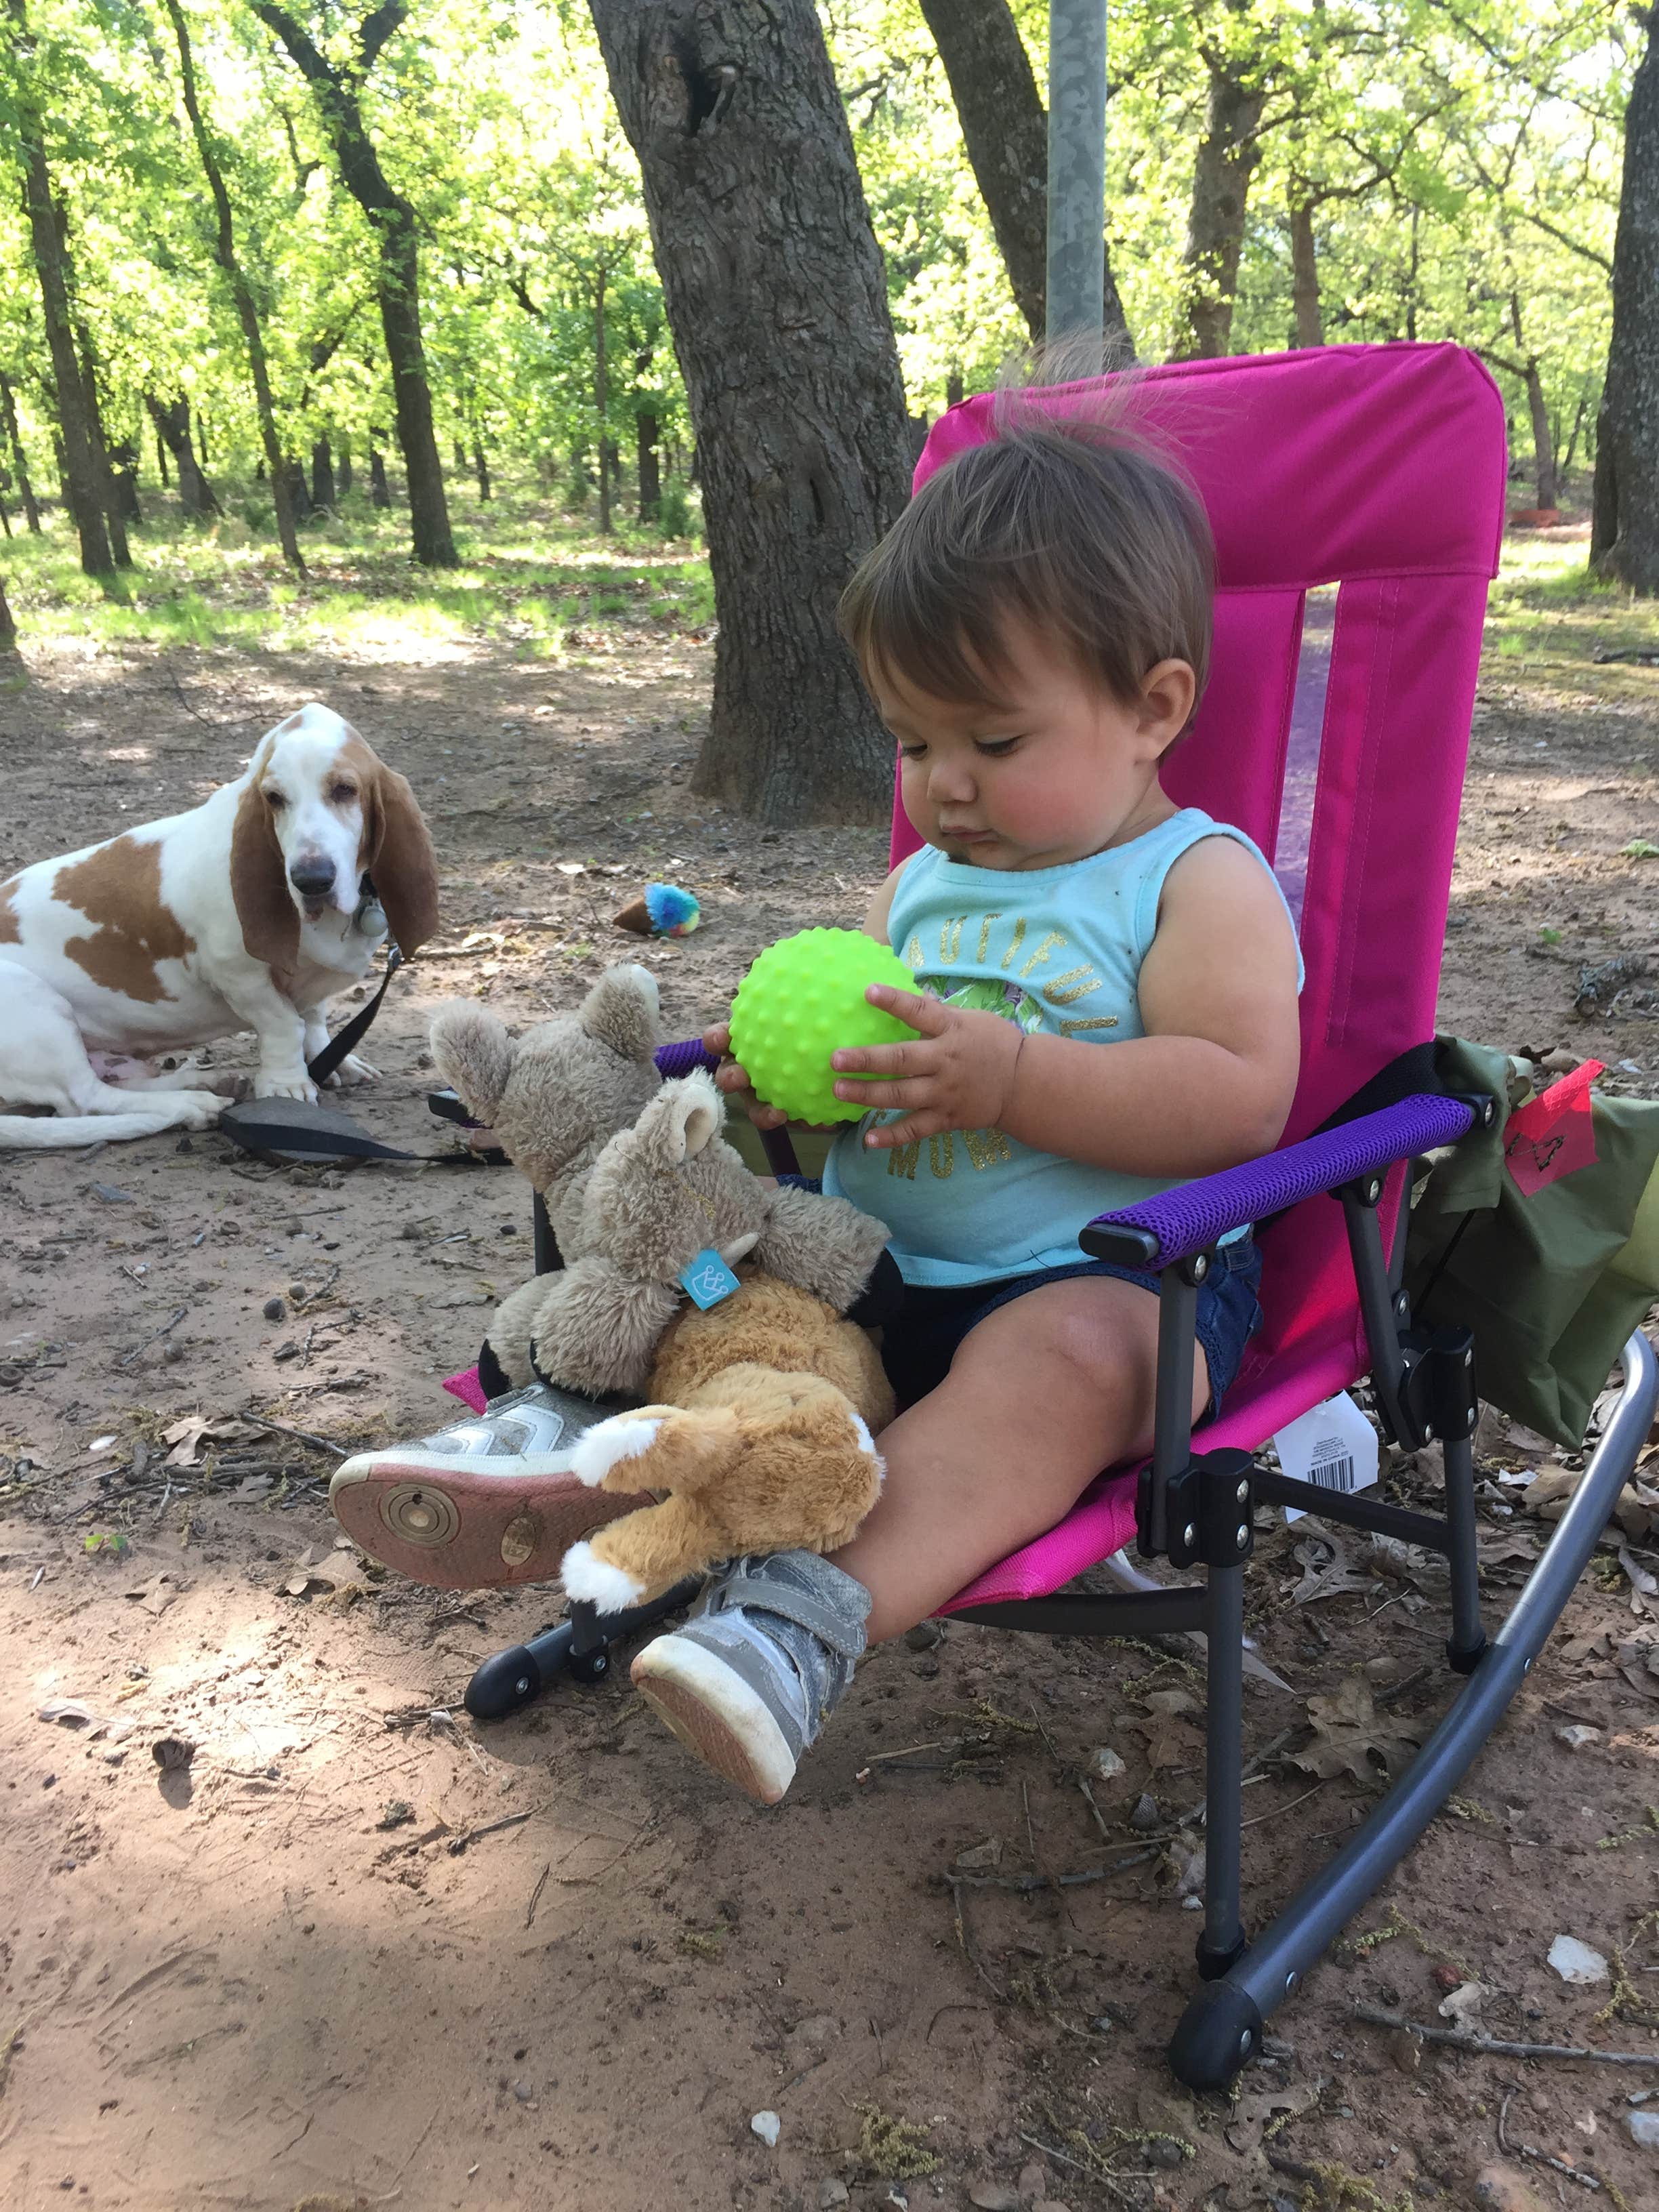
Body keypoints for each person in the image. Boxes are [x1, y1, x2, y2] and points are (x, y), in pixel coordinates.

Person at [626, 409, 1303, 1805]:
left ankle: (794, 1628)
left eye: (994, 739)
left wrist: (1016, 1077)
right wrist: (796, 1109)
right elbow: (864, 1107)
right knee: (702, 1282)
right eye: (909, 741)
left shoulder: (1193, 879)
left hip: (1116, 1293)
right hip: (874, 1277)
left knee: (1058, 1364)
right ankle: (556, 1465)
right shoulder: (921, 884)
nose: (942, 786)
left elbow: (1244, 1102)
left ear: (1154, 710)